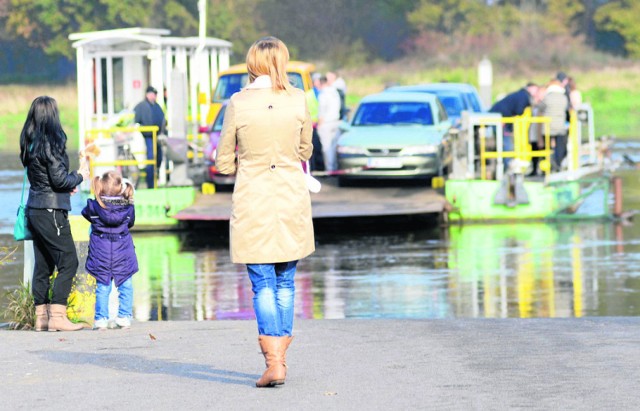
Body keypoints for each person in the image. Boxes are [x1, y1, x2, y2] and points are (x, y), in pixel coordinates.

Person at [216, 36, 314, 388]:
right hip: (290, 197)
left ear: (252, 64)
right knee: (286, 281)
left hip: (253, 199)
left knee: (262, 285)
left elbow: (224, 162)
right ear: (283, 62)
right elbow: (305, 151)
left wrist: (246, 159)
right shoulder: (299, 100)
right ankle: (280, 360)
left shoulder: (239, 103)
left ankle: (273, 361)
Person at [19, 96, 90, 332]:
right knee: (69, 260)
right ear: (52, 117)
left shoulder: (30, 143)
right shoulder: (50, 142)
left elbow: (45, 179)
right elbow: (59, 180)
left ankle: (42, 317)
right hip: (51, 211)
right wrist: (79, 175)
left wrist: (66, 183)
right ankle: (58, 315)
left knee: (44, 264)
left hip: (35, 209)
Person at [81, 171, 138, 330]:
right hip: (123, 251)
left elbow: (85, 214)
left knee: (103, 286)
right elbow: (130, 223)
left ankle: (101, 320)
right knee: (126, 284)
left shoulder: (93, 207)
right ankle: (124, 317)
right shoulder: (128, 207)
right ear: (120, 188)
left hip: (101, 252)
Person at [489, 82, 539, 170]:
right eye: (535, 89)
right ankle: (508, 167)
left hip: (499, 117)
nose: (536, 92)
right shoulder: (524, 96)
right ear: (530, 88)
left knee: (503, 144)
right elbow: (519, 110)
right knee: (506, 144)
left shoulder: (520, 94)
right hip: (501, 119)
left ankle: (506, 166)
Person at [134, 86, 165, 189]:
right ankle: (150, 184)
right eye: (152, 94)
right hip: (148, 136)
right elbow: (134, 119)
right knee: (151, 158)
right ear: (147, 94)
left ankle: (156, 180)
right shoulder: (141, 106)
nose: (153, 96)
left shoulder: (157, 106)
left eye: (155, 94)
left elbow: (163, 119)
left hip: (157, 136)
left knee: (159, 158)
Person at [541, 78, 570, 171]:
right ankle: (559, 165)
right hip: (560, 126)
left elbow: (540, 109)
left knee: (547, 149)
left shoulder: (547, 97)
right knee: (560, 148)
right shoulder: (563, 97)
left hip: (547, 127)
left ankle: (548, 167)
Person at [317, 76, 342, 171]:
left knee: (326, 148)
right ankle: (335, 167)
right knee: (334, 146)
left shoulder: (323, 94)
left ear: (320, 84)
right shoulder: (335, 92)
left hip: (326, 123)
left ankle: (329, 169)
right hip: (336, 121)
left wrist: (319, 124)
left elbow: (322, 111)